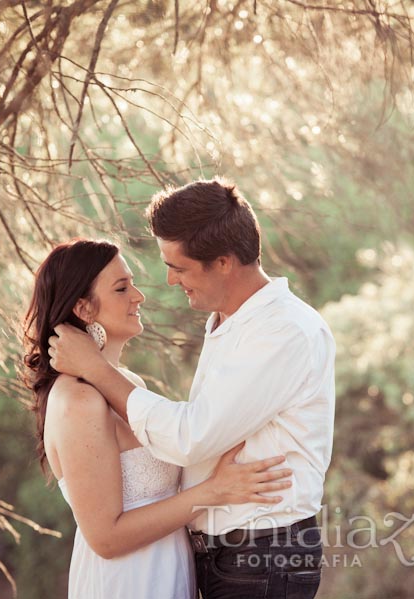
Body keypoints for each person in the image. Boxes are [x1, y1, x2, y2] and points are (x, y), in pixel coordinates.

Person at [47, 179, 336, 599]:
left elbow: (190, 437)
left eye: (178, 267)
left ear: (222, 262)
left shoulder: (281, 331)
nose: (166, 282)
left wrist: (95, 367)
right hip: (211, 560)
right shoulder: (231, 324)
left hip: (263, 555)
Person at [22, 238, 293, 599]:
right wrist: (214, 491)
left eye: (132, 283)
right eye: (122, 288)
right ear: (84, 309)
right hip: (127, 581)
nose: (139, 296)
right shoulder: (77, 400)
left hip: (171, 568)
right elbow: (105, 537)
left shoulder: (130, 385)